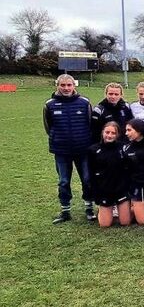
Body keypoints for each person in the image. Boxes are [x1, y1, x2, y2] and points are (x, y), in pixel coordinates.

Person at [44, 74, 95, 223]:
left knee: (87, 179)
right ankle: (65, 211)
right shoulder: (49, 104)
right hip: (61, 150)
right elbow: (48, 127)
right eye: (63, 85)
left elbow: (90, 124)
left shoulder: (84, 102)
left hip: (83, 149)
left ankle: (89, 208)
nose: (66, 88)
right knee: (64, 181)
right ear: (57, 86)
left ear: (74, 86)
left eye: (69, 85)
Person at [89, 122, 130, 227]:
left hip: (121, 189)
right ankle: (103, 209)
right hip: (105, 189)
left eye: (113, 133)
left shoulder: (123, 147)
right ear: (102, 132)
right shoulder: (93, 149)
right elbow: (91, 174)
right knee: (105, 225)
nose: (110, 135)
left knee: (125, 222)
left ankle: (132, 207)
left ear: (117, 135)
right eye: (107, 132)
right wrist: (96, 193)